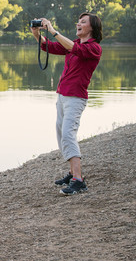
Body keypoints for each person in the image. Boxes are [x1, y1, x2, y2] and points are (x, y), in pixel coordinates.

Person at [31, 13, 103, 196]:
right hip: (63, 95)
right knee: (61, 133)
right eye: (78, 21)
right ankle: (72, 174)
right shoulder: (74, 44)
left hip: (76, 98)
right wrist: (37, 34)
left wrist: (53, 30)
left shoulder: (94, 48)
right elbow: (52, 47)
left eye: (83, 22)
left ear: (92, 27)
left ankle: (79, 181)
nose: (78, 23)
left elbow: (73, 49)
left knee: (68, 135)